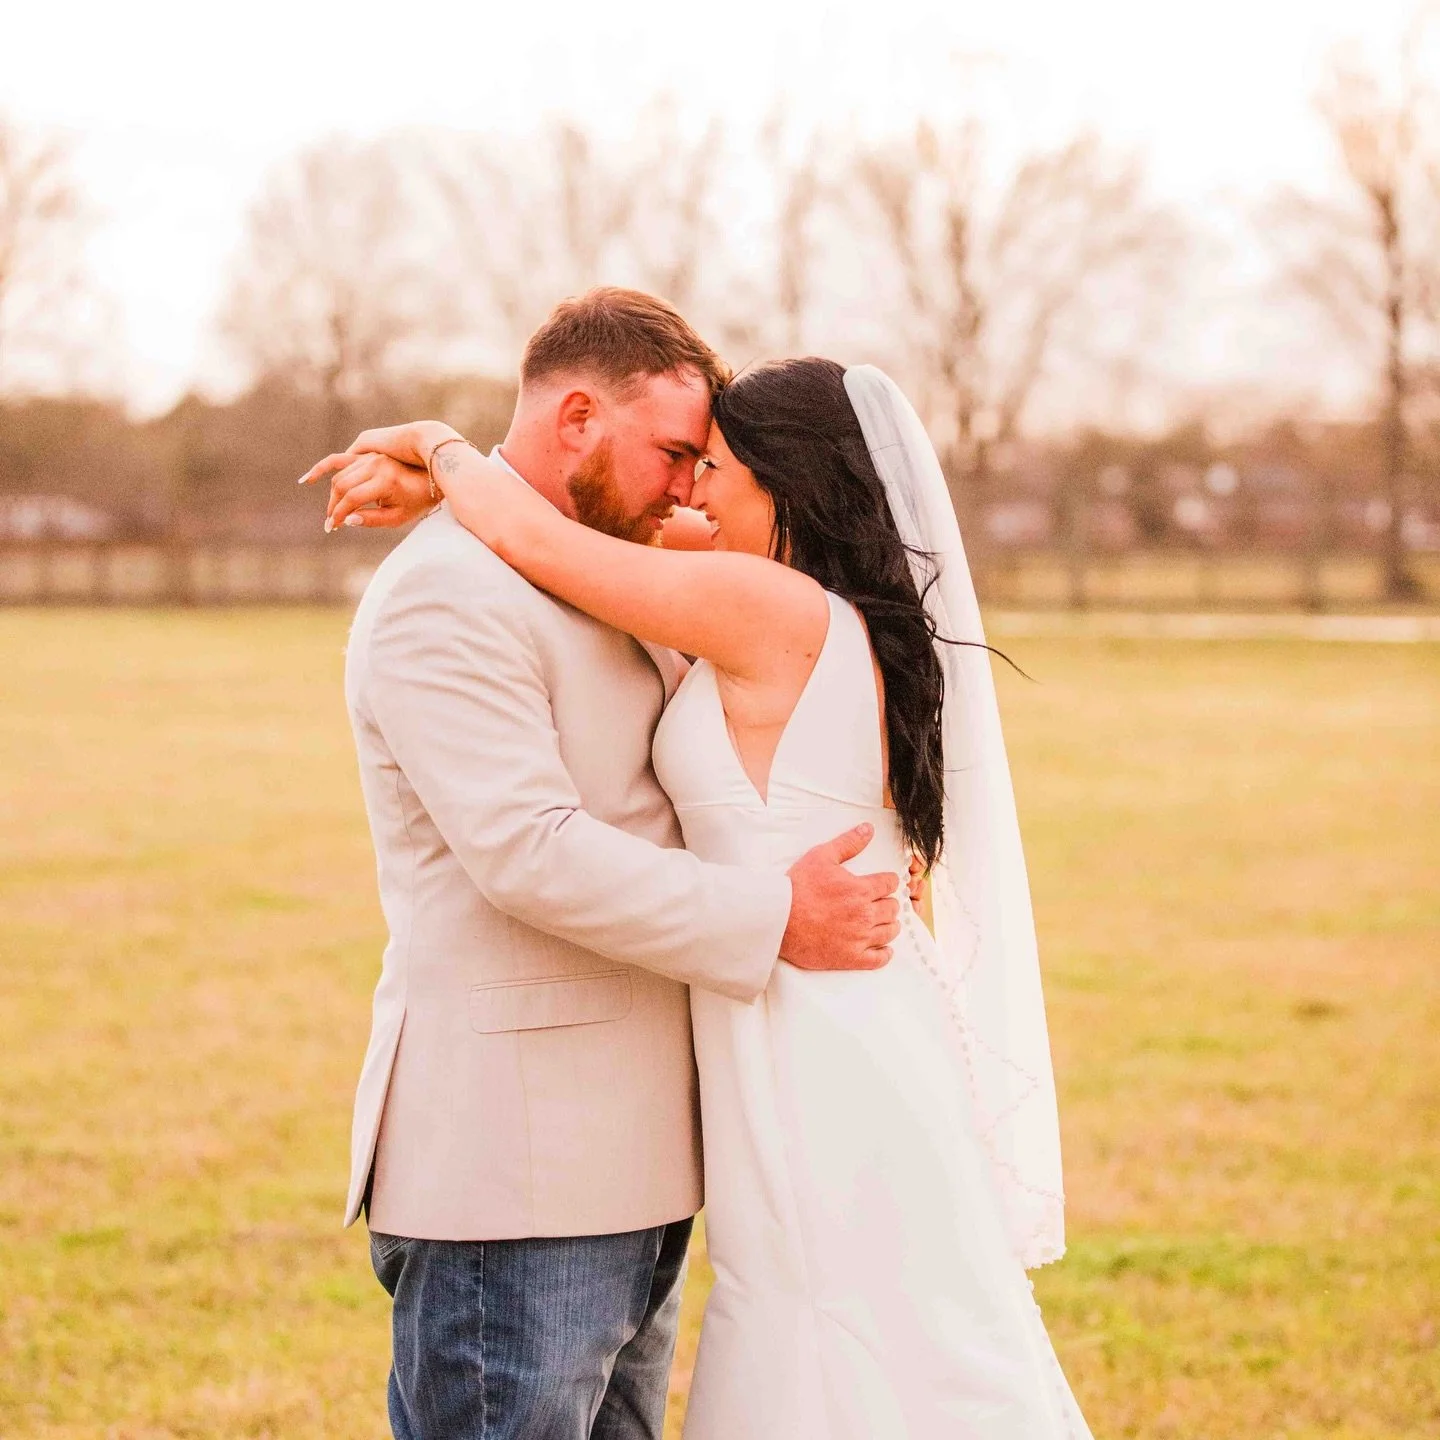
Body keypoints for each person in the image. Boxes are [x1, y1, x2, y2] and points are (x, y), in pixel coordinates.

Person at [312, 318, 1093, 1436]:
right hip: (733, 1048)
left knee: (865, 1330)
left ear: (787, 486)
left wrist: (441, 449)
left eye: (707, 468)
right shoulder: (735, 587)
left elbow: (553, 548)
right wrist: (455, 481)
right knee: (832, 1328)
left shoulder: (758, 603)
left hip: (818, 1024)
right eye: (680, 458)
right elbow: (544, 576)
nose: (686, 496)